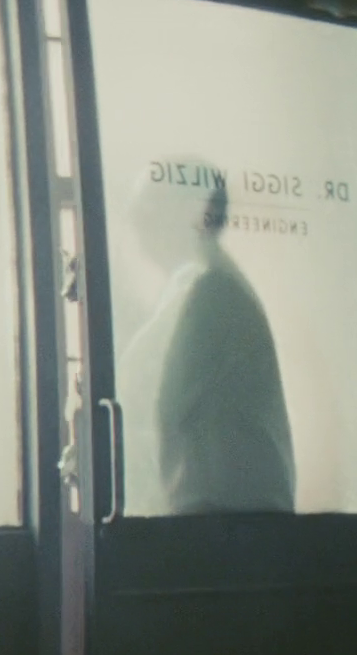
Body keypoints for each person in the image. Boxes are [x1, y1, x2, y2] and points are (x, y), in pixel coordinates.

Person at [116, 158, 295, 515]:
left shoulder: (210, 291)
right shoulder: (201, 286)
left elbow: (149, 403)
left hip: (223, 520)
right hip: (220, 516)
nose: (133, 220)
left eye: (147, 207)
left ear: (191, 213)